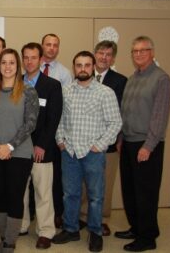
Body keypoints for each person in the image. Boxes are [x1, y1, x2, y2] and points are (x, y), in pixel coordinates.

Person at [52, 51, 122, 253]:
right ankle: (71, 229)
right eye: (79, 65)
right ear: (74, 67)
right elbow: (59, 119)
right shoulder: (66, 91)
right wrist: (60, 140)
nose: (83, 68)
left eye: (87, 65)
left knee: (96, 196)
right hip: (70, 152)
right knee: (70, 194)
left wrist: (100, 145)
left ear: (93, 67)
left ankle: (95, 232)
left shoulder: (105, 92)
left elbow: (115, 122)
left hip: (93, 153)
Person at [0, 48, 39, 253]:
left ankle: (10, 244)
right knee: (0, 197)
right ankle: (5, 239)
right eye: (3, 62)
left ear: (18, 65)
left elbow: (30, 123)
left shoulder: (28, 91)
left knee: (15, 197)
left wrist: (10, 146)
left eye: (12, 62)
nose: (7, 66)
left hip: (19, 154)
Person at [116, 36, 170, 252]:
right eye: (134, 51)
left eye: (143, 50)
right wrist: (121, 139)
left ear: (152, 52)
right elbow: (125, 112)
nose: (138, 54)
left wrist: (148, 146)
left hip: (147, 144)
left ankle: (147, 238)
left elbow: (159, 117)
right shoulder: (132, 79)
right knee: (130, 190)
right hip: (129, 143)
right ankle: (137, 227)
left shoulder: (161, 79)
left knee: (145, 193)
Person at [79, 41, 127, 236]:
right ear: (94, 55)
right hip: (83, 142)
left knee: (104, 183)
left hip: (108, 143)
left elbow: (122, 113)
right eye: (100, 53)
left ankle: (102, 219)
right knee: (84, 182)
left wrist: (119, 138)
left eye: (108, 54)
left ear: (113, 58)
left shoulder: (121, 81)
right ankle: (83, 216)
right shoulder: (82, 77)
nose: (103, 57)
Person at [20, 42, 62, 249]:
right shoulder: (16, 82)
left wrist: (42, 145)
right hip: (19, 147)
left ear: (41, 59)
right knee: (20, 190)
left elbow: (53, 119)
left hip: (41, 149)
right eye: (25, 57)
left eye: (33, 58)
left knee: (43, 191)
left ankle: (46, 231)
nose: (29, 61)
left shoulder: (52, 85)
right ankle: (22, 224)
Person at [40, 33, 71, 228]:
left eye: (55, 45)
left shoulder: (64, 73)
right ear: (42, 46)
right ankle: (36, 213)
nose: (51, 48)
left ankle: (57, 213)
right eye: (48, 44)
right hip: (33, 133)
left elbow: (66, 105)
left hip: (55, 132)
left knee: (55, 177)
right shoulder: (30, 71)